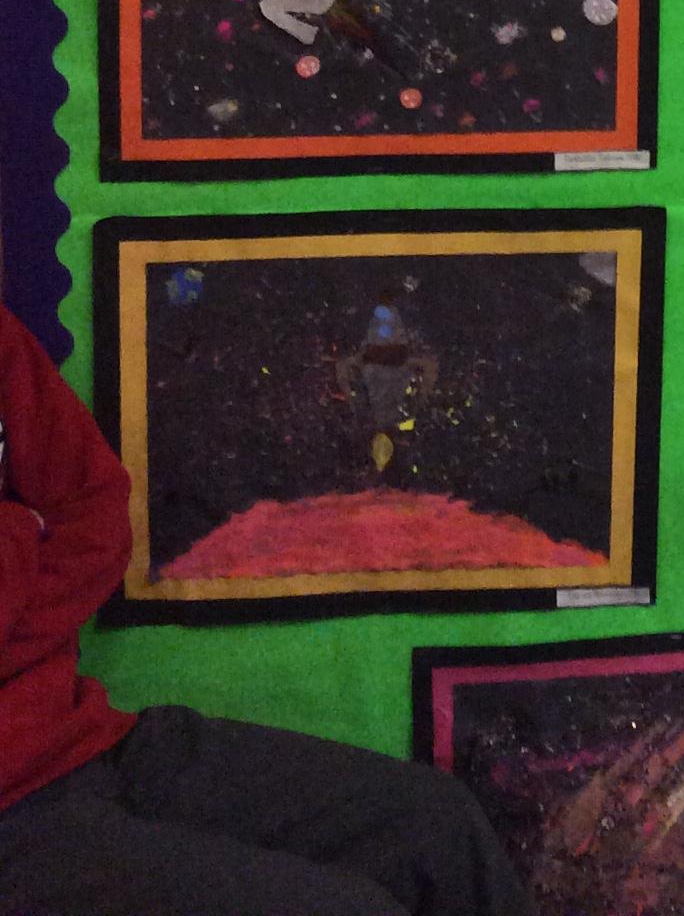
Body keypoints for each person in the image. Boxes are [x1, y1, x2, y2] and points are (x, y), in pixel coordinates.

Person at [0, 301, 535, 916]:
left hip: (86, 741)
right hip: (14, 809)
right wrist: (24, 529)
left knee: (440, 826)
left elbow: (97, 514)